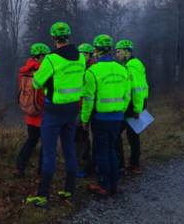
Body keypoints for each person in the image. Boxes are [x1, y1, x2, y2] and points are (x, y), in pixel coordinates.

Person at [26, 22, 86, 208]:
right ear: (68, 36)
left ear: (53, 38)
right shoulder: (81, 57)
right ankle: (69, 189)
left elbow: (36, 83)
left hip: (53, 110)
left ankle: (43, 195)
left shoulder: (51, 59)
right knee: (69, 148)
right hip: (73, 108)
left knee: (50, 151)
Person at [80, 34, 130, 196]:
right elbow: (127, 95)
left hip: (100, 119)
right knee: (112, 150)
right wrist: (120, 111)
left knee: (102, 151)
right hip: (117, 117)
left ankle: (104, 185)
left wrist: (84, 119)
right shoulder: (123, 69)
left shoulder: (92, 71)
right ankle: (114, 184)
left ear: (96, 50)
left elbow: (88, 99)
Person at [15, 42, 50, 177]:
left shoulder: (24, 71)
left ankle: (20, 166)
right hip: (43, 112)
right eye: (45, 56)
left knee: (31, 140)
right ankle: (42, 171)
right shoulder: (43, 71)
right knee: (45, 143)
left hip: (30, 111)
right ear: (40, 56)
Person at [115, 39, 148, 175]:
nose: (116, 54)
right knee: (133, 134)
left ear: (127, 51)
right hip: (137, 104)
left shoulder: (131, 66)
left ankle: (123, 165)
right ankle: (133, 164)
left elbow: (137, 89)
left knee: (118, 133)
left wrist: (137, 109)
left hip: (133, 105)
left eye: (118, 51)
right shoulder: (134, 63)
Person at [76, 43, 95, 178]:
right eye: (81, 54)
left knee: (88, 137)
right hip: (78, 107)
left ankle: (89, 164)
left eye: (85, 54)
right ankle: (80, 162)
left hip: (89, 108)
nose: (83, 56)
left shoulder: (93, 69)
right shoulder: (77, 67)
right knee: (78, 137)